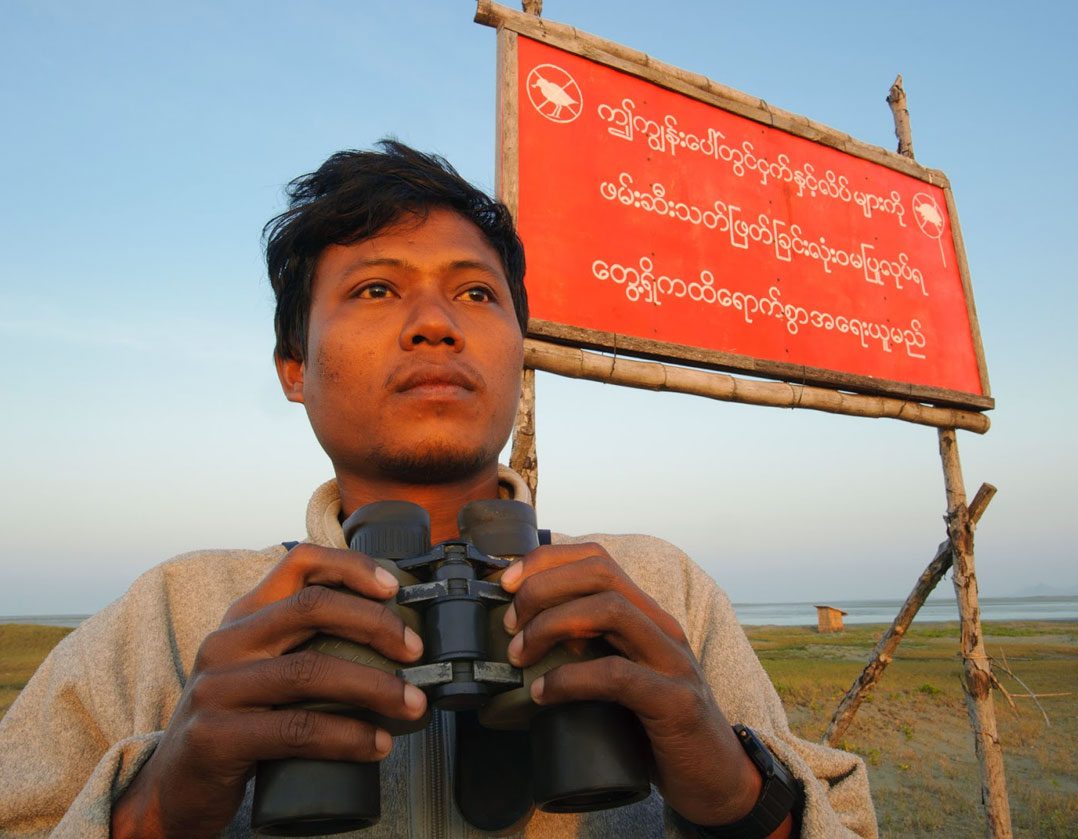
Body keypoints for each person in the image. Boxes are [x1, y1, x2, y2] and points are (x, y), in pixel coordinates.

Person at [0, 141, 876, 837]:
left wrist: (741, 795)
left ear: (516, 355)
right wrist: (154, 810)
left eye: (476, 293)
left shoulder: (655, 587)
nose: (434, 323)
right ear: (293, 366)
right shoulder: (177, 612)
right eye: (376, 288)